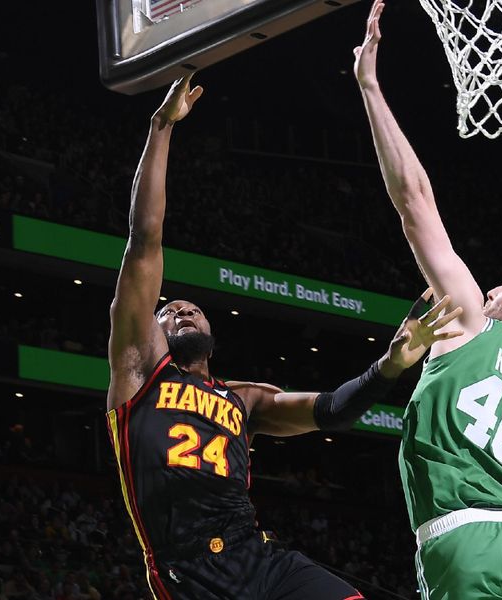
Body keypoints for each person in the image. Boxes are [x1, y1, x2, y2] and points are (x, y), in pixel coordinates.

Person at [107, 75, 463, 600]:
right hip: (190, 573)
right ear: (150, 336)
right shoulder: (141, 374)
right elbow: (145, 240)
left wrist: (390, 364)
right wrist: (160, 127)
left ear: (213, 333)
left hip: (261, 559)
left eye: (192, 308)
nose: (180, 308)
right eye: (167, 311)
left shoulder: (245, 400)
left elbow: (333, 411)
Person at [353, 3, 502, 598]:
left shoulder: (473, 323)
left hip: (462, 539)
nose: (491, 289)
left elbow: (415, 202)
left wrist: (371, 87)